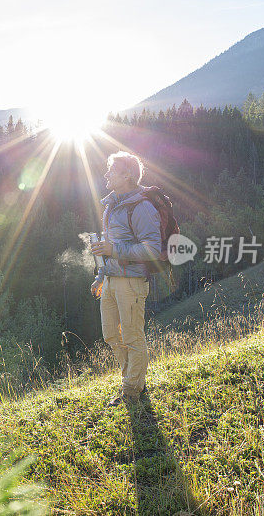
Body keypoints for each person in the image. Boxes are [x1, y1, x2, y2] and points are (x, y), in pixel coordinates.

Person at [91, 151, 161, 407]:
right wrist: (100, 275)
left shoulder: (142, 206)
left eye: (112, 169)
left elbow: (152, 249)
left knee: (132, 336)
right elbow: (110, 245)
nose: (106, 174)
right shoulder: (110, 206)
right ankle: (131, 379)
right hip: (110, 280)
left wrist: (113, 251)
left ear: (127, 175)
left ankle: (132, 389)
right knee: (111, 334)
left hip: (131, 281)